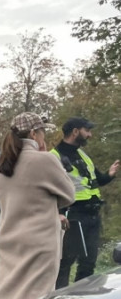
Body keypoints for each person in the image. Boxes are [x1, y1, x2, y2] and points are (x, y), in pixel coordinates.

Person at [0, 112, 75, 299]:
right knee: (35, 296)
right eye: (43, 131)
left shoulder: (3, 163)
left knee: (6, 288)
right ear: (33, 133)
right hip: (39, 240)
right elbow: (69, 195)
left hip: (9, 236)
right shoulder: (45, 159)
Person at [51, 117, 120, 287]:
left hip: (92, 215)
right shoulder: (54, 156)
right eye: (87, 130)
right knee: (65, 261)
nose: (89, 135)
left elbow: (95, 180)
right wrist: (58, 213)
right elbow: (51, 188)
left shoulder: (83, 154)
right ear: (75, 131)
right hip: (72, 214)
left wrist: (110, 174)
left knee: (89, 262)